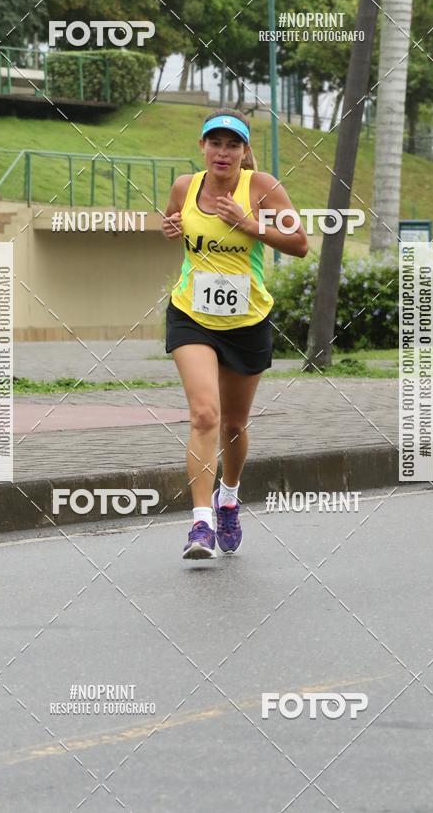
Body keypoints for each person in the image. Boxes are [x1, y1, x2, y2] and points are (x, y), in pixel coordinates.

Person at [162, 108, 308, 560]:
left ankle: (229, 496)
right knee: (204, 414)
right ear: (201, 146)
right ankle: (201, 525)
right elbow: (172, 222)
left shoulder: (261, 187)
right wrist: (169, 229)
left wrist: (248, 225)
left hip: (247, 321)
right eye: (215, 143)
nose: (222, 152)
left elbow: (300, 243)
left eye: (232, 144)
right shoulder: (186, 186)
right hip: (191, 314)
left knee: (233, 424)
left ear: (245, 151)